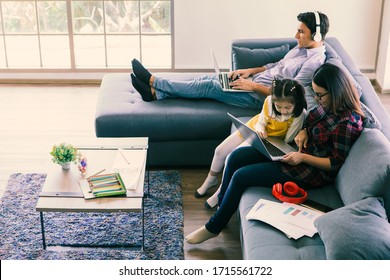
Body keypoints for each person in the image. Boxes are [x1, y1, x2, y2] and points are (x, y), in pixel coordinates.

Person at [185, 63, 365, 244]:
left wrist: (302, 157)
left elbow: (334, 163)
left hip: (309, 170)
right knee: (234, 157)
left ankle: (214, 226)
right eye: (315, 93)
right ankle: (222, 208)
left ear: (336, 91)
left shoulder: (347, 122)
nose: (316, 99)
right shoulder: (327, 105)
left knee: (241, 176)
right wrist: (304, 131)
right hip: (293, 153)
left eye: (320, 95)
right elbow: (309, 123)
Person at [130, 11, 330, 110]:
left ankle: (154, 81)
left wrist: (251, 86)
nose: (295, 35)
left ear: (317, 35)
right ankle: (156, 95)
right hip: (253, 82)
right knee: (203, 80)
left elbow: (289, 95)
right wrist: (250, 71)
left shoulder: (313, 63)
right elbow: (276, 66)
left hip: (259, 98)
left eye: (301, 31)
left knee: (208, 86)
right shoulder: (301, 47)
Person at [195, 78, 307, 209]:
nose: (282, 111)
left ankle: (220, 193)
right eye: (278, 107)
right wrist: (260, 129)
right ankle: (211, 180)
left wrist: (266, 139)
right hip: (254, 129)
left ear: (296, 103)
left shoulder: (299, 115)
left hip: (270, 141)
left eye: (287, 107)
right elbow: (261, 122)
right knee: (220, 150)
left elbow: (288, 140)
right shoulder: (269, 101)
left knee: (233, 158)